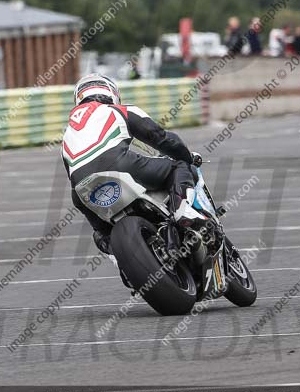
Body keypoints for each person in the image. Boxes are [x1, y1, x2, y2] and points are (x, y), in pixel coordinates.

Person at [61, 74, 203, 285]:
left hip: (81, 186)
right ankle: (183, 211)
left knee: (100, 231)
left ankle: (118, 256)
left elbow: (71, 171)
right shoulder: (119, 110)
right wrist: (187, 157)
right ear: (112, 93)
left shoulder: (68, 131)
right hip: (120, 164)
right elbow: (159, 137)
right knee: (179, 167)